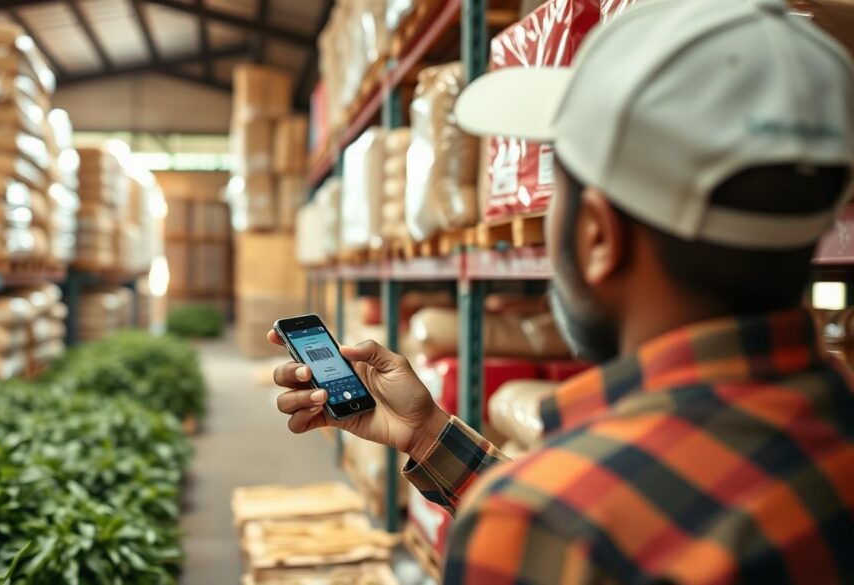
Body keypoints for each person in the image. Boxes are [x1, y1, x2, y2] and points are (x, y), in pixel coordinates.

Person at [270, 0, 854, 582]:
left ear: (597, 235)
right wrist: (427, 436)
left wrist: (519, 510)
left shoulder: (539, 525)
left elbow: (565, 527)